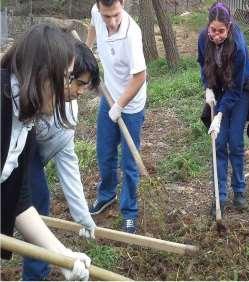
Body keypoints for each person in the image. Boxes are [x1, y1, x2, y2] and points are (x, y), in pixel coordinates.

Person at [1, 23, 91, 281]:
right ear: (40, 73)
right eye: (65, 77)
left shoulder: (26, 120)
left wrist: (61, 254)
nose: (67, 89)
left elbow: (18, 199)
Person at [22, 40, 100, 281]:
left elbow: (67, 159)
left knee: (36, 205)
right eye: (79, 83)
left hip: (30, 157)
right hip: (19, 152)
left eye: (86, 86)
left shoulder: (69, 111)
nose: (81, 91)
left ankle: (36, 273)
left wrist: (82, 215)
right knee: (35, 203)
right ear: (61, 75)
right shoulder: (25, 94)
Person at [197, 3, 249, 216]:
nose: (216, 35)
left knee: (235, 141)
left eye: (221, 31)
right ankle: (220, 196)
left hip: (239, 90)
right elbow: (202, 63)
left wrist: (219, 114)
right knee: (218, 141)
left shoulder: (238, 45)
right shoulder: (202, 38)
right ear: (208, 26)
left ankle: (240, 191)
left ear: (229, 28)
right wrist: (207, 87)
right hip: (217, 89)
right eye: (212, 30)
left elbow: (235, 89)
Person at [86, 0, 147, 234]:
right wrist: (87, 48)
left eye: (116, 15)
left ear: (123, 4)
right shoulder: (96, 12)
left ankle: (129, 211)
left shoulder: (132, 33)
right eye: (106, 16)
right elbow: (93, 24)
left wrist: (120, 105)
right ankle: (107, 194)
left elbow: (140, 76)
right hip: (109, 95)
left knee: (129, 162)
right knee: (104, 152)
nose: (111, 21)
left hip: (130, 104)